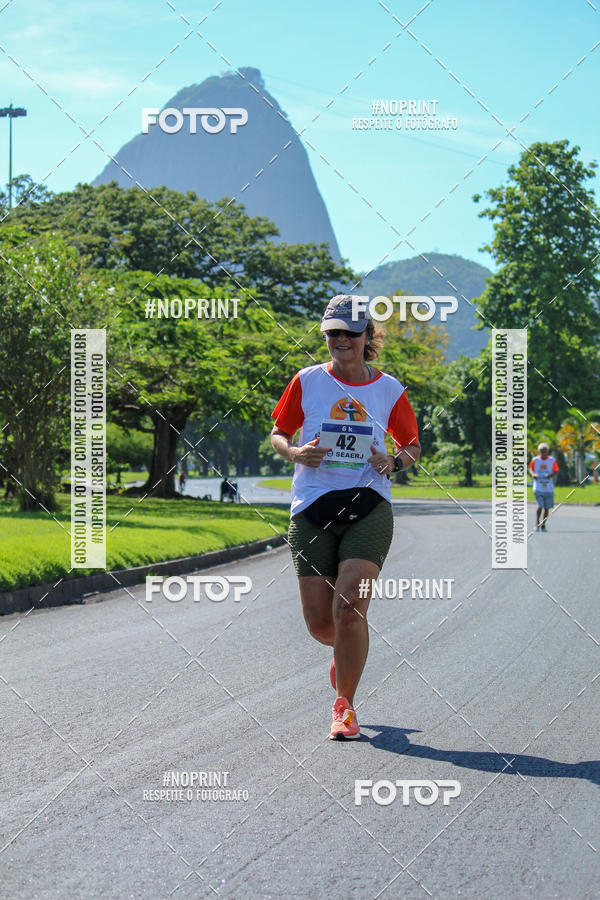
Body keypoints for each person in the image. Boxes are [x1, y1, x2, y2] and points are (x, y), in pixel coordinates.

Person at [270, 294, 421, 740]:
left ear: (366, 337)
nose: (340, 340)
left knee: (350, 607)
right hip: (312, 507)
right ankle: (342, 652)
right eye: (332, 333)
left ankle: (345, 707)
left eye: (349, 333)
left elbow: (412, 445)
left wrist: (393, 462)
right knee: (322, 624)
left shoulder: (389, 389)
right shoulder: (307, 381)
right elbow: (279, 433)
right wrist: (296, 451)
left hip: (369, 505)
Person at [529, 442, 559, 531]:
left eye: (545, 451)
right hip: (538, 487)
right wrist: (533, 474)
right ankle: (537, 523)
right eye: (541, 451)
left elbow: (556, 470)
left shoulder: (552, 460)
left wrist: (551, 475)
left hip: (548, 488)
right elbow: (530, 468)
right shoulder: (535, 460)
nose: (543, 453)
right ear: (539, 451)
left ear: (547, 451)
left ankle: (543, 524)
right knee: (540, 506)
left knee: (546, 508)